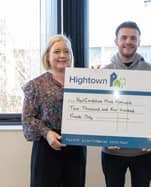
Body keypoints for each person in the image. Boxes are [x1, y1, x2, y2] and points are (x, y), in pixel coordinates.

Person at [22, 34, 87, 187]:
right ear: (47, 56)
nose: (62, 55)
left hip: (76, 148)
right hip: (47, 149)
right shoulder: (36, 85)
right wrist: (47, 133)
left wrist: (99, 77)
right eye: (57, 51)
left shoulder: (83, 82)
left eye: (66, 51)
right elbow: (27, 119)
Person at [101, 21, 151, 187]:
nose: (128, 41)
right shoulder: (103, 73)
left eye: (133, 38)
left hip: (143, 152)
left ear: (139, 42)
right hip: (112, 152)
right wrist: (104, 140)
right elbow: (98, 113)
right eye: (124, 37)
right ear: (116, 41)